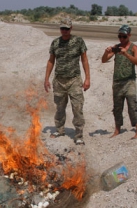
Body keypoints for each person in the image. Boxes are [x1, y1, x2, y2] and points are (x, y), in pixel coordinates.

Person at [44, 17, 90, 145]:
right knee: (59, 107)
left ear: (71, 28)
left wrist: (87, 79)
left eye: (67, 29)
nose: (64, 31)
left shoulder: (78, 41)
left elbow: (84, 60)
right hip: (59, 81)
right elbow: (51, 61)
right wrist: (46, 79)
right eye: (62, 28)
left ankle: (79, 135)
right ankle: (59, 129)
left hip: (74, 80)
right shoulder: (55, 43)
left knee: (77, 108)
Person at [101, 25, 137, 139]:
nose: (121, 39)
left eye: (124, 36)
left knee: (132, 105)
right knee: (117, 107)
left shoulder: (134, 48)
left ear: (129, 35)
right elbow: (104, 60)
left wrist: (126, 54)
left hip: (129, 81)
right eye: (119, 36)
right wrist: (107, 52)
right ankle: (117, 129)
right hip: (117, 82)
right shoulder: (117, 47)